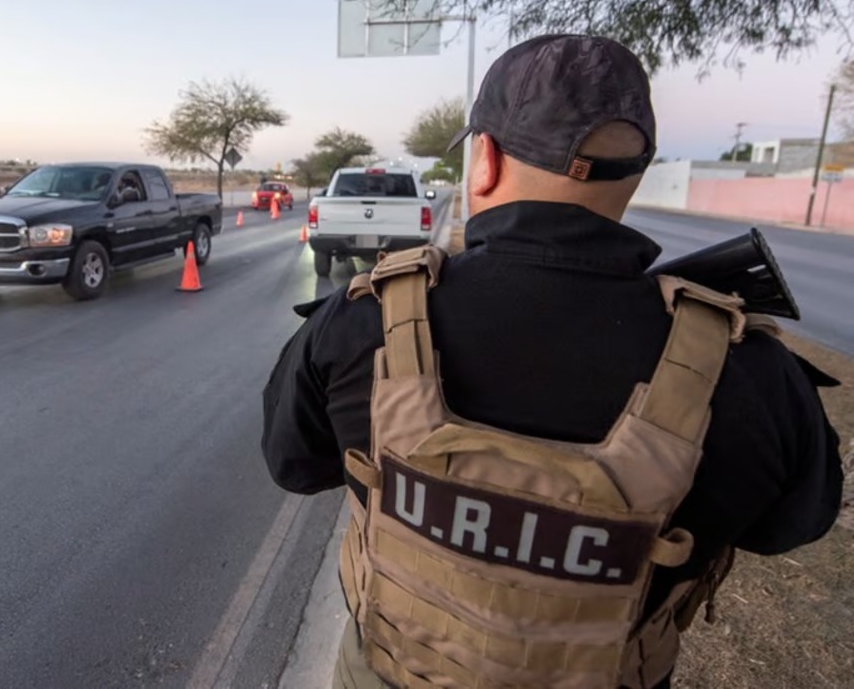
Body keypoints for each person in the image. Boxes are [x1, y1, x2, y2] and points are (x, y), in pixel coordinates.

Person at [262, 34, 844, 689]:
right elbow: (793, 524)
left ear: (484, 160)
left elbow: (295, 463)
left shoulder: (363, 318)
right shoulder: (753, 372)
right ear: (637, 171)